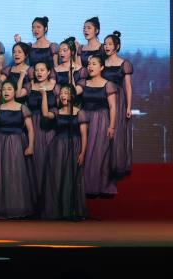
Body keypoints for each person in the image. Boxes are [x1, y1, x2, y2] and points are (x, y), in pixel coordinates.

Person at [0, 79, 36, 219]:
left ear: (15, 92)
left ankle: (17, 207)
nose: (6, 92)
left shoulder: (22, 107)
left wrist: (30, 146)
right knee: (1, 175)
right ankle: (1, 207)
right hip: (1, 142)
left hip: (17, 142)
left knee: (16, 174)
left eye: (9, 89)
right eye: (4, 89)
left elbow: (30, 129)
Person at [40, 84, 87, 220]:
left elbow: (84, 135)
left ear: (72, 96)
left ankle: (70, 211)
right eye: (61, 93)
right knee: (57, 177)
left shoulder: (79, 113)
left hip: (74, 146)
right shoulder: (57, 111)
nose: (63, 95)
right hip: (58, 148)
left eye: (66, 93)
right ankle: (56, 211)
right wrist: (44, 95)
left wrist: (82, 153)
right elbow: (45, 114)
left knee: (70, 178)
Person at [78, 54, 119, 196]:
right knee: (85, 152)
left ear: (101, 67)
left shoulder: (108, 85)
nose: (90, 66)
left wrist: (111, 126)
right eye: (89, 64)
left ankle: (100, 186)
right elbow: (72, 92)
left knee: (99, 153)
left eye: (94, 64)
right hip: (85, 119)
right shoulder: (84, 83)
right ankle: (85, 187)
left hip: (101, 120)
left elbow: (113, 107)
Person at [101, 31, 135, 181]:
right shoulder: (102, 62)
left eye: (110, 44)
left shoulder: (124, 63)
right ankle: (103, 165)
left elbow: (128, 87)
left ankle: (116, 166)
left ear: (117, 46)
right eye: (105, 44)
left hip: (119, 100)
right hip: (103, 98)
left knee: (117, 131)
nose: (107, 47)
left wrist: (128, 107)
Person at [26, 61, 57, 191]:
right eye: (36, 70)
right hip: (32, 125)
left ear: (49, 72)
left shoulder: (55, 87)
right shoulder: (29, 86)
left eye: (42, 70)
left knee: (48, 159)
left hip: (49, 126)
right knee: (34, 159)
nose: (39, 73)